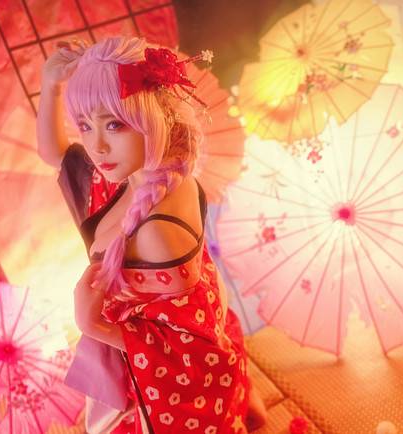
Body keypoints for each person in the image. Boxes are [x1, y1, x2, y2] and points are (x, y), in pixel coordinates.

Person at [36, 36, 267, 433]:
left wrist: (94, 326)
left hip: (170, 381)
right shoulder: (143, 174)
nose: (96, 146)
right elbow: (56, 154)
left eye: (114, 125)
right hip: (141, 353)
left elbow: (187, 349)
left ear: (154, 118)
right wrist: (51, 84)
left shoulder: (158, 229)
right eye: (86, 126)